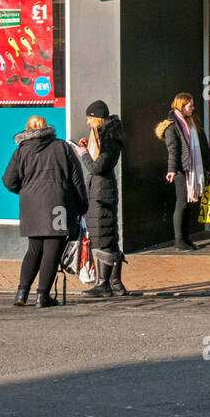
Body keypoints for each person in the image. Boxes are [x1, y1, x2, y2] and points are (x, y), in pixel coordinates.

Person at [1, 115, 88, 308]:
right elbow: (76, 179)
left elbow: (8, 181)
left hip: (30, 205)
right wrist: (82, 206)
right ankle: (42, 296)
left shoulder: (21, 151)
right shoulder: (62, 147)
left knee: (33, 249)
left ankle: (21, 293)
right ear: (47, 128)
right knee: (52, 249)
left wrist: (26, 191)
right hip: (57, 203)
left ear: (27, 130)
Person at [79, 100, 135, 298]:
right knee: (108, 235)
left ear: (98, 118)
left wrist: (83, 154)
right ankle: (115, 282)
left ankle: (103, 284)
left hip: (103, 192)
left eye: (90, 119)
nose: (88, 123)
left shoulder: (109, 139)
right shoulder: (105, 136)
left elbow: (97, 167)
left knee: (104, 235)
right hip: (101, 189)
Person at [156, 92, 210, 251]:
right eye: (190, 106)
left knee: (189, 204)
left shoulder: (192, 122)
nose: (193, 108)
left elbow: (203, 146)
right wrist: (172, 170)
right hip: (183, 169)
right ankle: (179, 240)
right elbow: (173, 149)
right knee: (182, 203)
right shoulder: (172, 125)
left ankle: (186, 238)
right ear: (181, 106)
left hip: (194, 168)